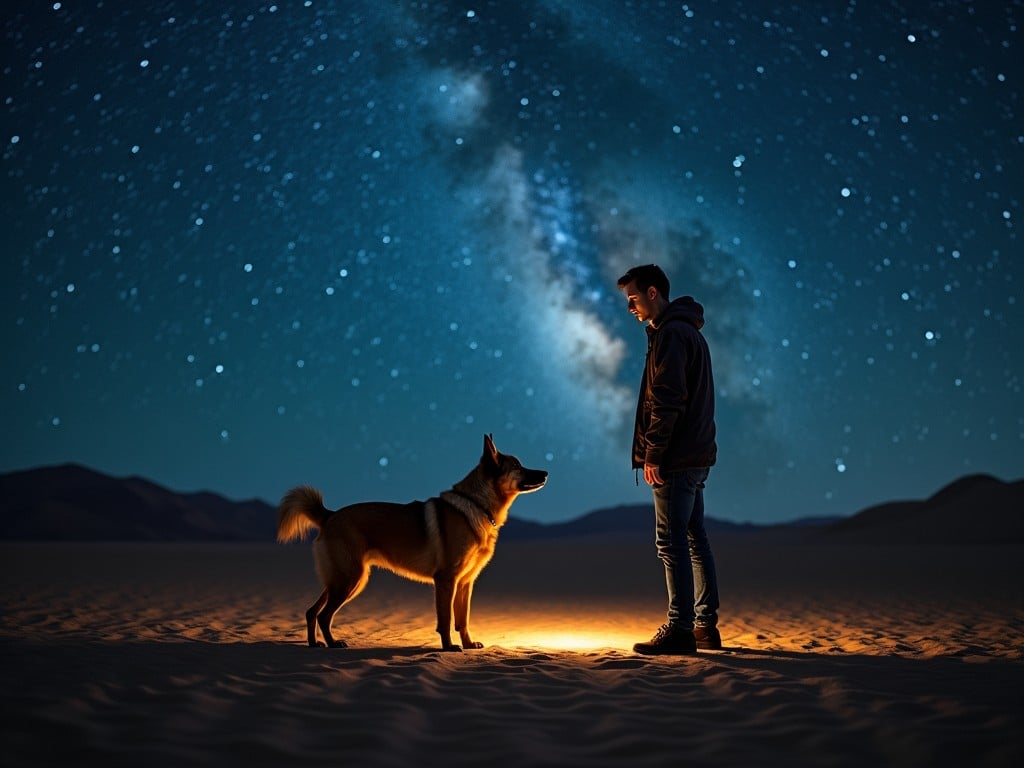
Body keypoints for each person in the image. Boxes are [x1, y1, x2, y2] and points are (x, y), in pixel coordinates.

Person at [617, 264, 722, 654]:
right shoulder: (686, 332)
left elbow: (668, 400)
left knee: (671, 542)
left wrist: (653, 453)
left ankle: (679, 629)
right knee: (694, 539)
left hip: (677, 458)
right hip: (695, 454)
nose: (630, 308)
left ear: (653, 293)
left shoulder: (672, 335)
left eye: (633, 299)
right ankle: (705, 628)